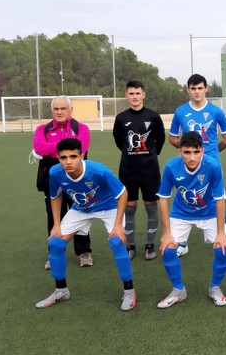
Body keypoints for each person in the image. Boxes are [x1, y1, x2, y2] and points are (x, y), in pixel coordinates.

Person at [35, 138, 136, 311]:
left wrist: (118, 225)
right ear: (58, 158)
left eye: (73, 156)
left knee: (116, 242)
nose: (68, 161)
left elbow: (122, 193)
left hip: (108, 207)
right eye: (63, 157)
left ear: (82, 155)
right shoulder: (54, 173)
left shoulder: (99, 171)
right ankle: (61, 290)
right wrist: (56, 225)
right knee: (55, 243)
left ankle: (129, 291)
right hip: (81, 208)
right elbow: (55, 196)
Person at [156, 132, 226, 308]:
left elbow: (220, 199)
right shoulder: (171, 167)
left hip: (209, 213)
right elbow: (163, 198)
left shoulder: (213, 166)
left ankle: (215, 288)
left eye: (196, 152)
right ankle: (178, 290)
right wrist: (166, 233)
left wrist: (221, 233)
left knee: (222, 250)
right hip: (181, 213)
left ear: (203, 151)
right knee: (168, 249)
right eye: (187, 152)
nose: (192, 157)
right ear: (179, 151)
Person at [168, 74, 226, 258]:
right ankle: (182, 243)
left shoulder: (216, 111)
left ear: (206, 89)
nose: (196, 92)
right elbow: (173, 138)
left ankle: (224, 240)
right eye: (193, 88)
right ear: (187, 89)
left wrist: (209, 155)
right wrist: (187, 153)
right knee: (185, 196)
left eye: (200, 88)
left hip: (212, 164)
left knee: (218, 199)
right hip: (187, 165)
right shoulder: (181, 112)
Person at [32, 95, 93, 269]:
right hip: (52, 180)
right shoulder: (42, 130)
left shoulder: (81, 128)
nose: (59, 112)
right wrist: (65, 147)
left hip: (77, 180)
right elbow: (39, 148)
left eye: (63, 108)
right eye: (56, 109)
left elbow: (81, 148)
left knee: (81, 214)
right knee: (54, 217)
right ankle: (55, 253)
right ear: (52, 111)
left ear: (70, 110)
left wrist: (53, 147)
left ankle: (84, 251)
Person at [113, 80, 166, 261]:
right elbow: (119, 142)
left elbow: (160, 138)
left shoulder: (153, 117)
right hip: (128, 171)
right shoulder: (121, 118)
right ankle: (131, 245)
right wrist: (132, 155)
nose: (135, 97)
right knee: (129, 208)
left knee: (151, 206)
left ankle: (150, 245)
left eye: (138, 93)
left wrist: (149, 154)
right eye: (131, 93)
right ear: (126, 95)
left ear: (143, 95)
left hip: (149, 170)